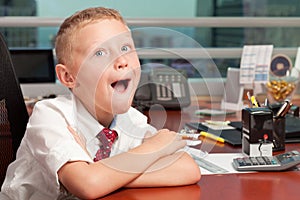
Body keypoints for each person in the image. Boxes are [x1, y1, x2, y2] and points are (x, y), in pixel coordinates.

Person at [0, 7, 201, 199]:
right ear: (69, 76)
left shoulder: (131, 119)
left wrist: (103, 173)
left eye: (125, 48)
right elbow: (87, 184)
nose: (122, 60)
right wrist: (155, 148)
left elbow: (187, 169)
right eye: (100, 53)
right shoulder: (51, 115)